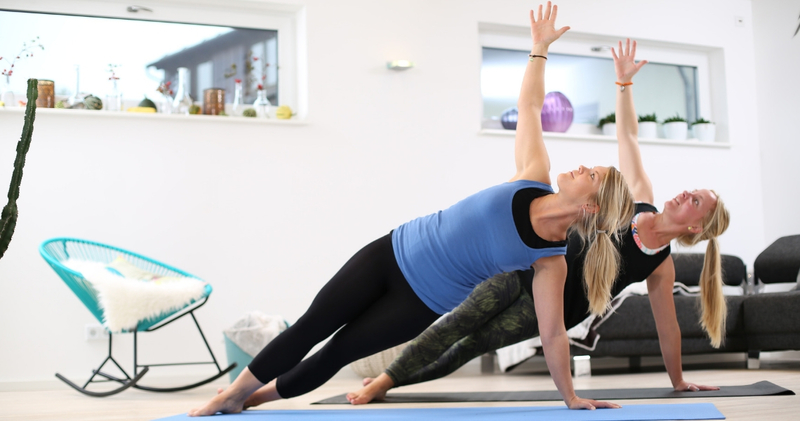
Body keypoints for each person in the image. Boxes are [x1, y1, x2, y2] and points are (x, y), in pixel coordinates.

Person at [188, 3, 634, 416]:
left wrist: (570, 397)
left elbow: (552, 334)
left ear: (590, 205)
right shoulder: (532, 175)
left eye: (591, 174)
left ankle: (250, 398)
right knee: (311, 325)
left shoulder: (550, 261)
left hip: (421, 302)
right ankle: (232, 393)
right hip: (392, 252)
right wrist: (539, 49)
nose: (581, 167)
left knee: (337, 353)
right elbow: (530, 106)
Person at [344, 38, 731, 406]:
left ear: (696, 227)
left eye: (696, 201)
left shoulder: (660, 265)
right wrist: (624, 84)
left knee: (471, 346)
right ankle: (384, 380)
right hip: (526, 264)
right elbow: (628, 136)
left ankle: (390, 382)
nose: (686, 193)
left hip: (555, 306)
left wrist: (678, 380)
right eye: (692, 190)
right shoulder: (635, 198)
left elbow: (668, 328)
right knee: (456, 323)